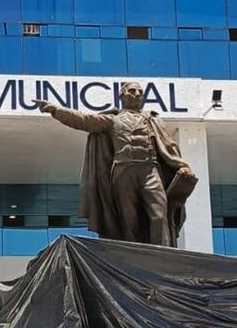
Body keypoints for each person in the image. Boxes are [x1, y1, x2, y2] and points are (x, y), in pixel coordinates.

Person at [33, 82, 197, 248]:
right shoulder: (112, 120)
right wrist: (56, 110)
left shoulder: (153, 120)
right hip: (123, 172)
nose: (137, 94)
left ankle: (163, 254)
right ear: (122, 95)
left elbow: (169, 145)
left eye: (140, 92)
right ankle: (132, 254)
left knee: (159, 213)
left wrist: (181, 165)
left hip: (150, 171)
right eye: (132, 91)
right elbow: (84, 120)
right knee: (129, 220)